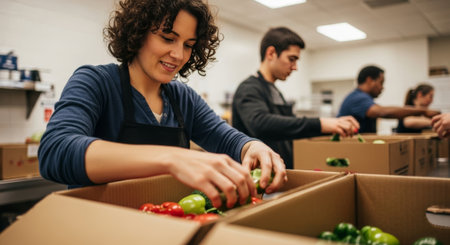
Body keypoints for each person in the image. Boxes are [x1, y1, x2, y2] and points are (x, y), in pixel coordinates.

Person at [38, 0, 287, 209]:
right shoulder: (96, 82)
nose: (178, 55)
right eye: (168, 38)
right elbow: (56, 150)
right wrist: (171, 159)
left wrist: (252, 146)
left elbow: (225, 138)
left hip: (166, 227)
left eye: (188, 45)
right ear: (137, 32)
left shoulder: (182, 98)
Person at [232, 27, 360, 170]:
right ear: (271, 53)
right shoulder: (249, 88)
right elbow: (261, 124)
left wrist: (332, 127)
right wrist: (321, 123)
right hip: (259, 179)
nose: (295, 67)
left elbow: (291, 128)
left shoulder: (274, 91)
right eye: (291, 59)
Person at [338, 65, 440, 133]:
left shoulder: (361, 97)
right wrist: (424, 111)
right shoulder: (358, 98)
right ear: (369, 80)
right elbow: (383, 112)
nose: (382, 88)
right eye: (381, 83)